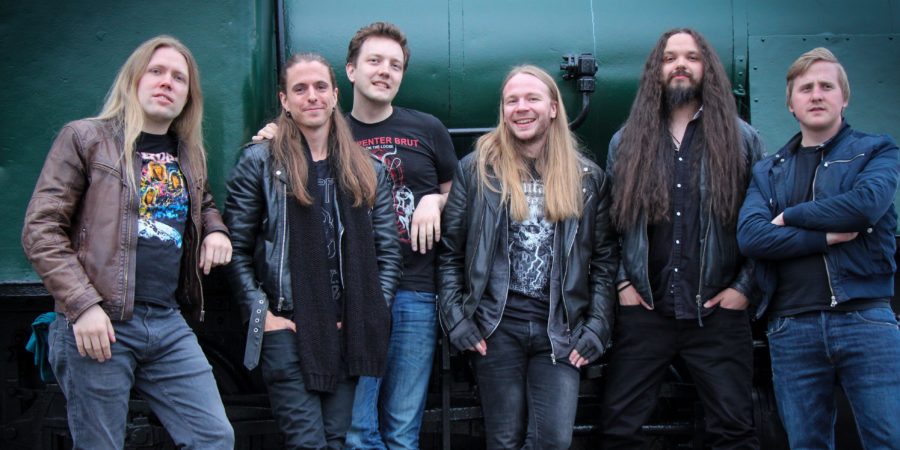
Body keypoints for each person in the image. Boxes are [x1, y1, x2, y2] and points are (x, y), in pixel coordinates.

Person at [21, 35, 234, 449]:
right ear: (133, 80)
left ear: (188, 97)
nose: (167, 82)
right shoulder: (86, 138)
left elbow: (203, 201)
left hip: (167, 322)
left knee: (214, 437)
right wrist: (83, 306)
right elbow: (41, 230)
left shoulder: (187, 155)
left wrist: (216, 229)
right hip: (100, 322)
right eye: (156, 71)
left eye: (179, 78)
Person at [254, 22, 457, 450]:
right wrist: (275, 132)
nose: (385, 71)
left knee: (402, 429)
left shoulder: (428, 129)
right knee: (357, 430)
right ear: (350, 71)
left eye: (395, 65)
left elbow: (459, 197)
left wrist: (434, 201)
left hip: (415, 292)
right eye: (374, 61)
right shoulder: (328, 131)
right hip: (352, 301)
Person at [224, 52, 402, 449]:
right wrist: (262, 314)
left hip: (348, 330)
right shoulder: (260, 163)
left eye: (321, 87)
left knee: (337, 440)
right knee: (306, 442)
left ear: (335, 95)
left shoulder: (368, 169)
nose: (312, 96)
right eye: (300, 89)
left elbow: (388, 254)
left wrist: (369, 311)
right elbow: (235, 248)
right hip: (286, 327)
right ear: (284, 100)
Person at [438, 65, 618, 450]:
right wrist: (456, 321)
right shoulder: (477, 171)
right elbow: (450, 252)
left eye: (532, 98)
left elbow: (604, 261)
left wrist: (597, 328)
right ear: (503, 111)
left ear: (553, 108)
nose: (521, 107)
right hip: (496, 327)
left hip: (559, 330)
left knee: (552, 441)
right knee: (503, 441)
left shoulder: (587, 178)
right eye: (512, 100)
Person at [600, 28, 764, 449]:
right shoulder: (627, 141)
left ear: (707, 67)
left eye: (691, 57)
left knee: (733, 431)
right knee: (619, 430)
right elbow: (608, 224)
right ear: (656, 70)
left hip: (718, 312)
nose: (680, 65)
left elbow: (761, 223)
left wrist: (743, 288)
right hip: (646, 310)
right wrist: (622, 282)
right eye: (670, 57)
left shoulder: (741, 139)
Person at [737, 47, 900, 449]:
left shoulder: (876, 150)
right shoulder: (768, 171)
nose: (816, 95)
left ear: (844, 98)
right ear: (790, 104)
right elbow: (752, 236)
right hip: (791, 326)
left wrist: (790, 216)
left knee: (886, 438)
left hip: (865, 318)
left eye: (826, 86)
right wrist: (823, 236)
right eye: (805, 88)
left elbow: (864, 207)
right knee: (806, 443)